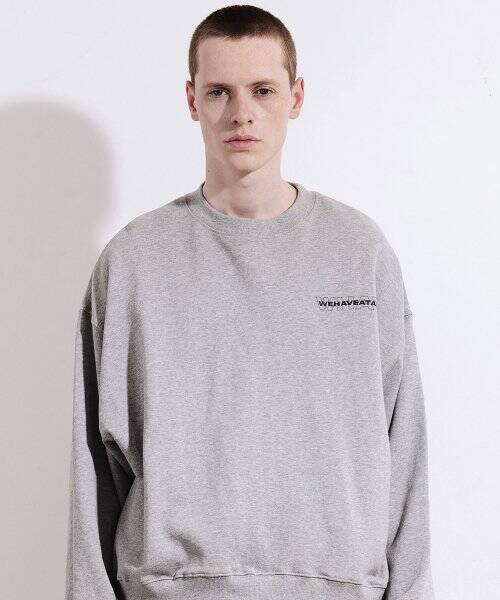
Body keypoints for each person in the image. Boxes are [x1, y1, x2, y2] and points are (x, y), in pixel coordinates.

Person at [65, 5, 435, 600]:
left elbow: (404, 442)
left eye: (263, 90)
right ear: (192, 101)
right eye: (219, 92)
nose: (242, 113)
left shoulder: (358, 251)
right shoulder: (134, 261)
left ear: (296, 96)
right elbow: (93, 469)